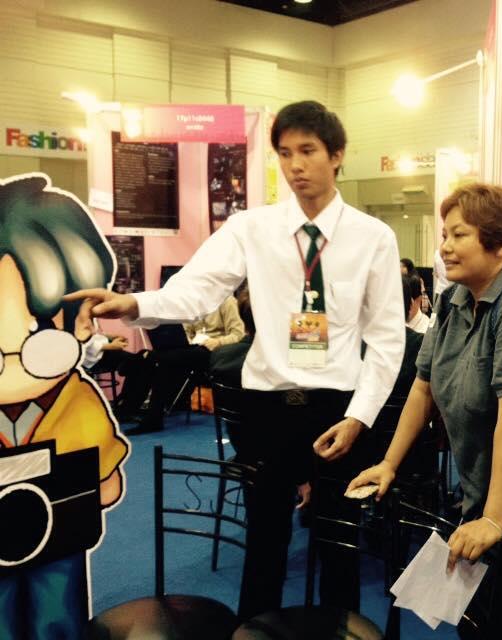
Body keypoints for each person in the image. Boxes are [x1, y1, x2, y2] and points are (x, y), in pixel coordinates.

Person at [66, 100, 405, 619]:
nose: (295, 165)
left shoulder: (373, 237)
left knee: (339, 545)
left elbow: (386, 339)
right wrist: (133, 304)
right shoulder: (253, 228)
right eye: (285, 153)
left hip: (337, 410)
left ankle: (342, 628)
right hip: (265, 408)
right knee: (264, 544)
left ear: (337, 155)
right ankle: (253, 630)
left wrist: (360, 417)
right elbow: (196, 291)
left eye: (308, 151)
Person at [348, 183, 502, 638]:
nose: (444, 247)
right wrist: (389, 463)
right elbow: (423, 389)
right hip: (483, 496)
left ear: (501, 243)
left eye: (459, 235)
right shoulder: (453, 300)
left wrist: (494, 520)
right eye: (444, 235)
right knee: (476, 626)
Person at [0, 174, 129, 640]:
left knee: (56, 614)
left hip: (58, 533)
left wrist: (103, 480)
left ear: (82, 323)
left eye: (40, 326)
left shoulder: (74, 401)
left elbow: (106, 482)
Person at [120, 295, 245, 434]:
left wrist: (217, 342)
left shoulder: (227, 301)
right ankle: (150, 417)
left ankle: (149, 415)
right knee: (166, 364)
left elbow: (239, 335)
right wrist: (190, 341)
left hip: (217, 352)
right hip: (195, 350)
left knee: (164, 359)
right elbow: (188, 333)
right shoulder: (193, 303)